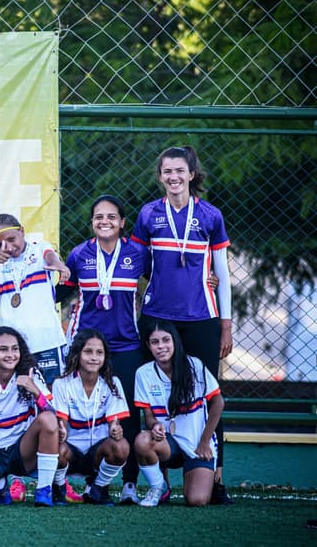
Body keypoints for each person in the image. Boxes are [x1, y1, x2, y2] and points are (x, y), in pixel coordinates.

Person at [131, 145, 233, 504]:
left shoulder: (210, 215)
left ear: (192, 174)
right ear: (160, 176)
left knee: (209, 392)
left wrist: (226, 323)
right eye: (167, 171)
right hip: (158, 313)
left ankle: (216, 475)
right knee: (150, 388)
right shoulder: (148, 214)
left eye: (180, 171)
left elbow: (221, 271)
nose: (173, 177)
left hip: (202, 317)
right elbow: (138, 261)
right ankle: (158, 478)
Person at [58, 195, 148, 504]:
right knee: (85, 412)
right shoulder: (79, 254)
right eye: (98, 217)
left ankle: (130, 483)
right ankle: (92, 482)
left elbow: (162, 282)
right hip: (86, 347)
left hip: (125, 345)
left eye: (111, 217)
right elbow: (61, 292)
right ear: (92, 222)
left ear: (123, 223)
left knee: (129, 417)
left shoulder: (138, 253)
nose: (104, 221)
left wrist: (208, 278)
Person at [0, 326, 60, 506]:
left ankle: (44, 489)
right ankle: (0, 485)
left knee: (46, 419)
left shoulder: (31, 376)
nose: (10, 354)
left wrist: (36, 392)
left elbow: (53, 419)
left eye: (15, 349)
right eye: (3, 349)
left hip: (22, 448)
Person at [133, 321, 225, 507]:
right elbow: (148, 415)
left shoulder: (194, 366)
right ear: (149, 346)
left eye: (166, 340)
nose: (161, 347)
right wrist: (154, 426)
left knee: (196, 500)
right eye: (155, 342)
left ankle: (198, 475)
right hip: (168, 444)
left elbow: (218, 403)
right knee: (143, 441)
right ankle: (159, 487)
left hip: (196, 444)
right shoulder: (143, 373)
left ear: (175, 341)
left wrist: (205, 442)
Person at [0, 213, 70, 386]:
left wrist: (59, 265)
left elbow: (50, 256)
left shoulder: (39, 250)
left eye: (11, 239)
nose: (8, 247)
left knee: (52, 392)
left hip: (47, 340)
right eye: (0, 244)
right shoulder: (0, 265)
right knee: (22, 397)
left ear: (22, 231)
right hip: (16, 348)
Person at [52, 329, 130, 506]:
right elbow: (61, 422)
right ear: (77, 354)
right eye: (88, 352)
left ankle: (99, 488)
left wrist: (115, 429)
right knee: (55, 446)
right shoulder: (61, 383)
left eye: (99, 353)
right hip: (71, 452)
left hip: (97, 452)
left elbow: (114, 422)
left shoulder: (112, 383)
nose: (94, 357)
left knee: (121, 446)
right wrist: (61, 431)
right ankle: (58, 488)